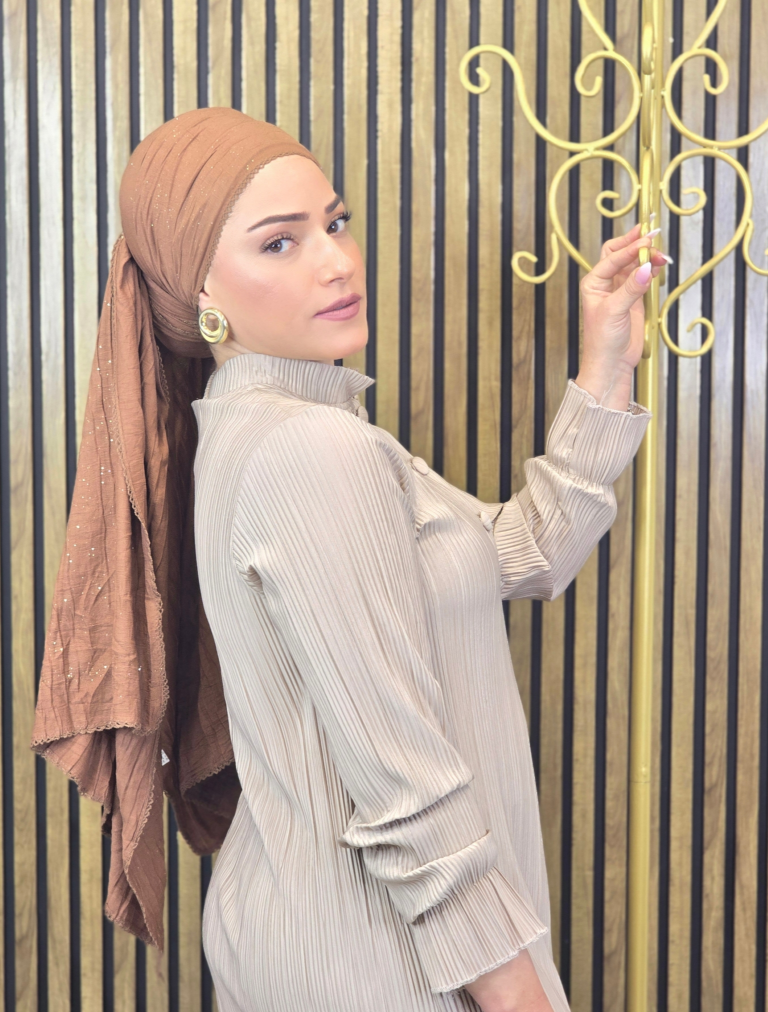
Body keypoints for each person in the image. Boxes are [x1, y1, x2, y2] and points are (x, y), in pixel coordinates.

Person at [32, 108, 665, 1012]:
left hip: (346, 940)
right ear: (200, 290)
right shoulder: (313, 452)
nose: (336, 261)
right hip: (381, 959)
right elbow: (405, 782)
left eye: (335, 223)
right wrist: (521, 997)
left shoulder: (279, 432)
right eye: (279, 243)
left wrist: (605, 364)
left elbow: (523, 551)